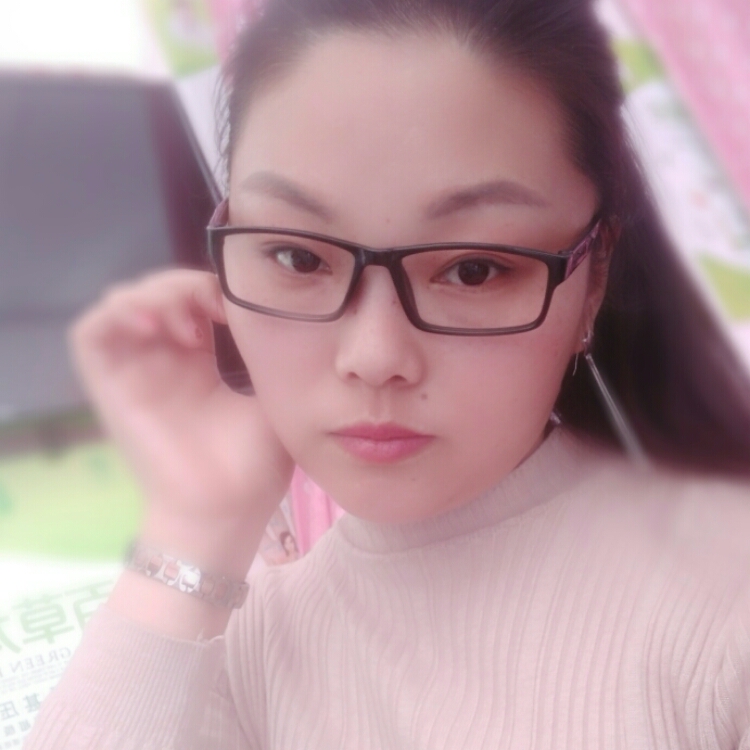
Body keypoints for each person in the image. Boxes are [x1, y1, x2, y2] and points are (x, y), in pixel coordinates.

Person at [24, 0, 750, 747]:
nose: (373, 357)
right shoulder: (227, 636)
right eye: (298, 257)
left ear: (592, 278)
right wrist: (196, 519)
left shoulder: (725, 602)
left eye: (473, 269)